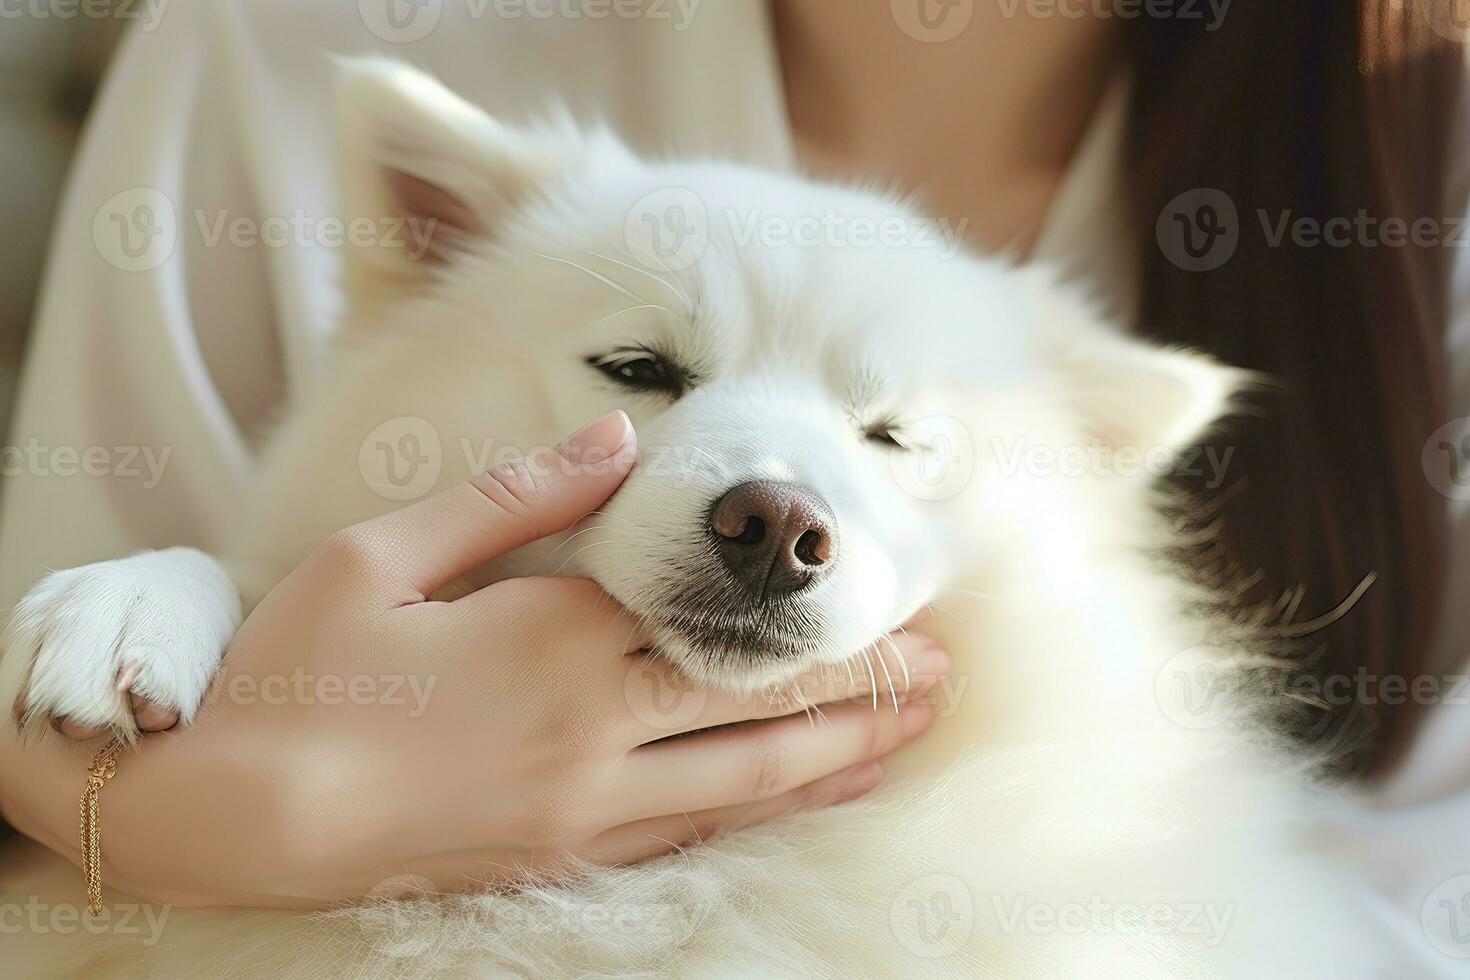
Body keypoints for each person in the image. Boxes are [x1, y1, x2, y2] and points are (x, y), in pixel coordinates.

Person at [0, 0, 1465, 964]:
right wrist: (189, 811)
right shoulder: (293, 42)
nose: (775, 511)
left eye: (892, 439)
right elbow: (66, 664)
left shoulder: (1424, 129)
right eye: (640, 368)